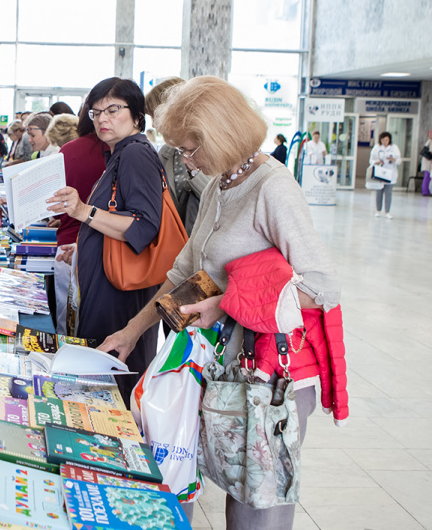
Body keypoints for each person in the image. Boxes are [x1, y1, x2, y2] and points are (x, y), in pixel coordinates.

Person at [100, 76, 341, 530]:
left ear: (222, 136)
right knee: (227, 488)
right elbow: (184, 277)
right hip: (226, 367)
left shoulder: (273, 187)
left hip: (271, 379)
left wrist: (226, 304)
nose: (185, 161)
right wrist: (132, 332)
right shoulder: (218, 185)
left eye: (190, 150)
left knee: (255, 510)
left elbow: (322, 285)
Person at [45, 78, 166, 403]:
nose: (102, 119)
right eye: (96, 112)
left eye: (113, 110)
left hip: (121, 297)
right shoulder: (120, 153)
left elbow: (143, 225)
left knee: (113, 386)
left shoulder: (135, 155)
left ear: (137, 115)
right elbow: (117, 218)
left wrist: (84, 212)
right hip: (110, 289)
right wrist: (85, 243)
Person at [52, 107, 108, 335]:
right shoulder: (118, 153)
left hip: (68, 244)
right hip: (107, 249)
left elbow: (53, 202)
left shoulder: (68, 151)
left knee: (67, 324)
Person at [146, 77, 211, 234]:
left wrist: (195, 173)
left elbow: (221, 200)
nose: (154, 124)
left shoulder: (211, 146)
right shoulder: (167, 152)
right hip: (173, 242)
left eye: (155, 115)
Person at [370, 131, 400, 218]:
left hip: (390, 173)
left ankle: (387, 211)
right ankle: (378, 210)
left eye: (386, 140)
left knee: (388, 193)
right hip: (380, 172)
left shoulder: (394, 148)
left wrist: (392, 159)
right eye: (383, 140)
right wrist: (377, 161)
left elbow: (399, 160)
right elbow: (371, 160)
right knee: (379, 192)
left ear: (389, 140)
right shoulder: (377, 147)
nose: (385, 142)